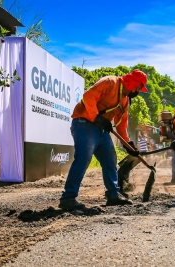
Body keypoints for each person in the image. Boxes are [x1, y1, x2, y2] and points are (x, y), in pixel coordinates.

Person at [59, 69, 148, 210]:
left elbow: (121, 125)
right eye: (139, 88)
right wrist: (97, 117)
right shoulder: (110, 82)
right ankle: (68, 198)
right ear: (134, 83)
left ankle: (113, 195)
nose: (138, 91)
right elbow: (88, 96)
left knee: (110, 159)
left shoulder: (125, 101)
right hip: (84, 123)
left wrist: (129, 145)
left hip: (101, 129)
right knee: (83, 158)